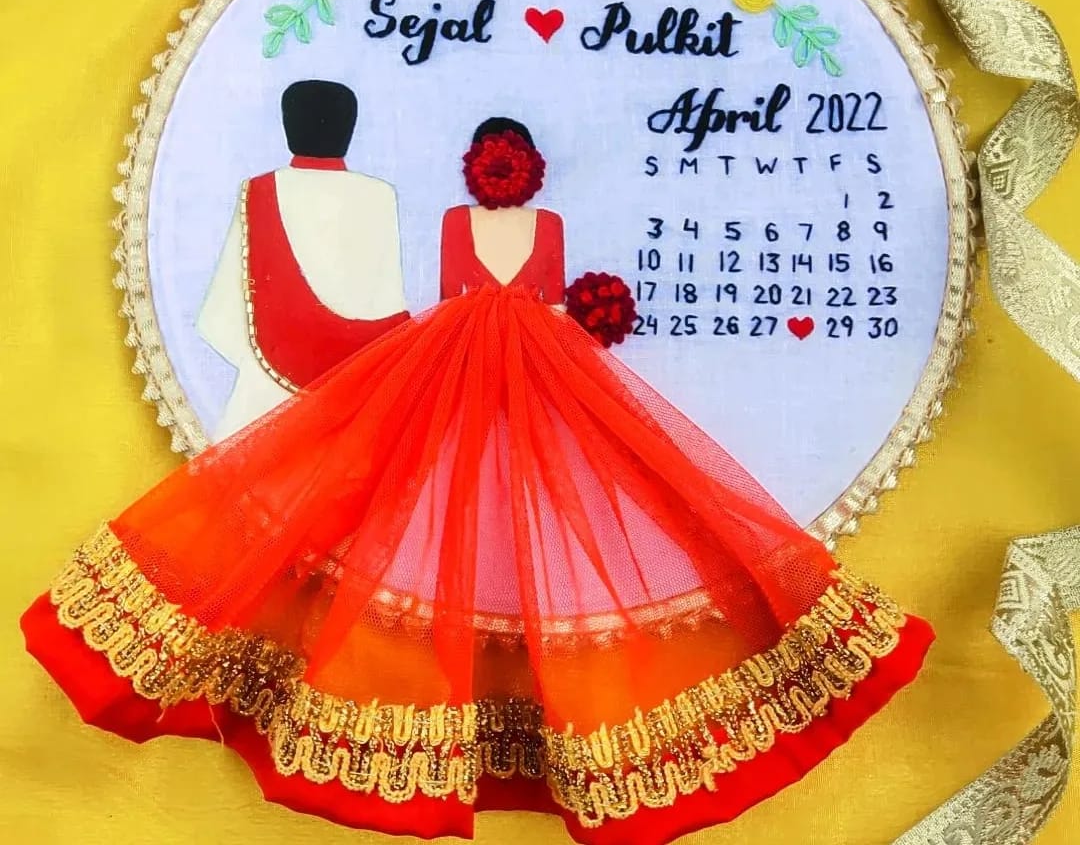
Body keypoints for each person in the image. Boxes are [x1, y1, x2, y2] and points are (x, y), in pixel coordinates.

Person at [22, 117, 934, 845]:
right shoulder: (528, 228)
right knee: (528, 510)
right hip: (517, 364)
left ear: (485, 170)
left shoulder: (467, 226)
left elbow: (472, 291)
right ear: (526, 171)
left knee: (448, 511)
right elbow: (541, 294)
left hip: (462, 361)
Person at [198, 79, 408, 439]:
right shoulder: (379, 195)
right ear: (349, 127)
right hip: (361, 383)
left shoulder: (258, 191)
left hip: (269, 387)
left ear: (288, 125)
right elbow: (388, 303)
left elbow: (223, 313)